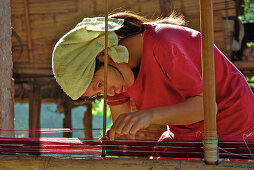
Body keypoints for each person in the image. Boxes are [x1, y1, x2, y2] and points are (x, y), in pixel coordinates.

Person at [52, 12, 254, 143]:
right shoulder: (115, 77)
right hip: (188, 135)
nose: (107, 93)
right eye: (97, 93)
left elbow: (207, 108)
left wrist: (149, 116)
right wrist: (118, 141)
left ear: (104, 54)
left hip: (234, 129)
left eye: (99, 84)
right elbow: (127, 137)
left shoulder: (165, 43)